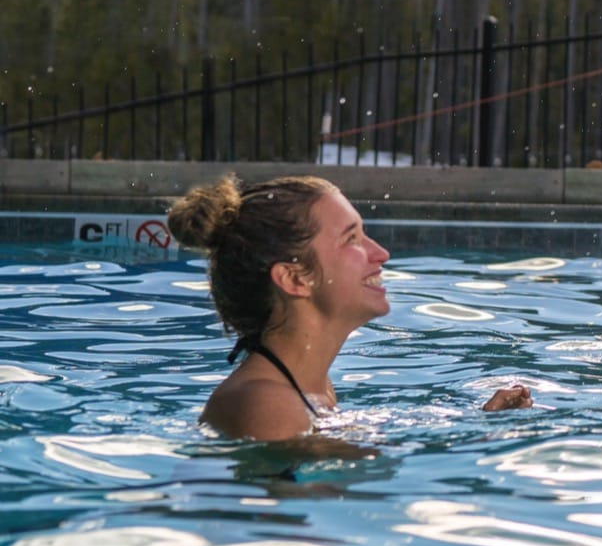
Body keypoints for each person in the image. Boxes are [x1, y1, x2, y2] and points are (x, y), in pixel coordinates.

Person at [165, 174, 530, 441]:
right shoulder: (268, 405)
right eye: (351, 238)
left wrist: (481, 424)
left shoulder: (309, 388)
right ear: (294, 278)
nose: (380, 253)